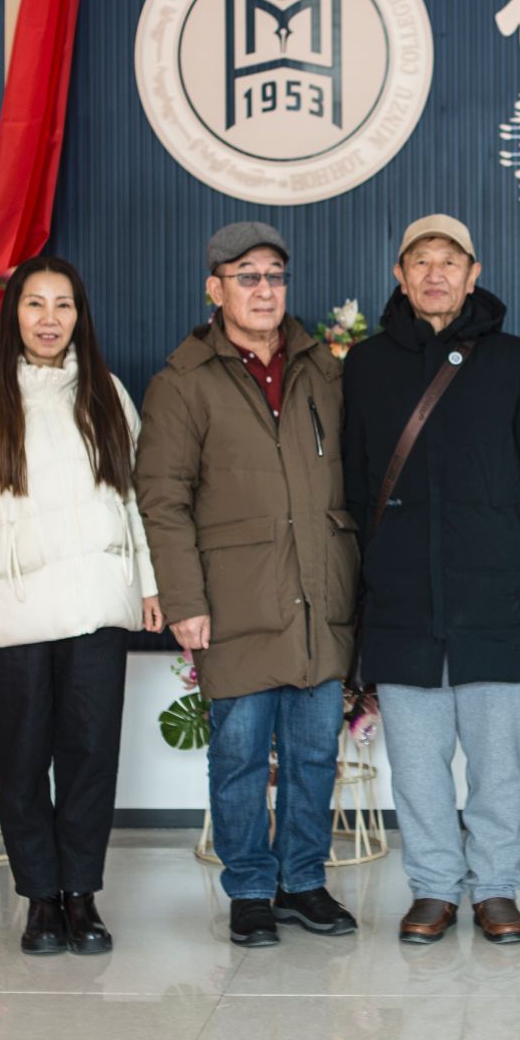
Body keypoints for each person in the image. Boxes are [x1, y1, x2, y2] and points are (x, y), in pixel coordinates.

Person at [343, 214, 520, 946]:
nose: (434, 273)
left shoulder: (517, 362)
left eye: (449, 261)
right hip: (402, 598)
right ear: (399, 275)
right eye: (420, 261)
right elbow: (352, 488)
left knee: (497, 763)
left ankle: (497, 887)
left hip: (494, 595)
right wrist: (362, 586)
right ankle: (435, 887)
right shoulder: (366, 365)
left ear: (474, 274)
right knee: (416, 763)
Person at [135, 222, 360, 949]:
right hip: (234, 600)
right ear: (216, 288)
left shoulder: (323, 370)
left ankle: (303, 881)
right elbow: (162, 500)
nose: (265, 290)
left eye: (275, 276)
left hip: (319, 593)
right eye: (247, 276)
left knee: (314, 754)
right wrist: (184, 600)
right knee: (238, 757)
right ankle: (252, 889)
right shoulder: (182, 382)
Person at [0, 255, 162, 956]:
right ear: (13, 315)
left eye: (63, 305)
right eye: (35, 303)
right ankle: (40, 900)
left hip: (96, 606)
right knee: (23, 756)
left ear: (79, 316)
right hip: (12, 611)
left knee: (91, 754)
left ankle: (82, 897)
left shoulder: (106, 393)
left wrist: (149, 585)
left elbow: (136, 499)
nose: (49, 318)